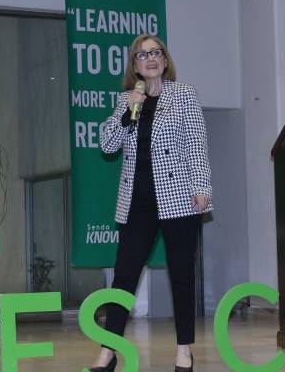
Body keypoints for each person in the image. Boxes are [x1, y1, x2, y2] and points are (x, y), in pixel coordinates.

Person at [90, 34, 213, 372]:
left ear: (164, 58)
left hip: (177, 197)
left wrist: (202, 186)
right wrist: (129, 111)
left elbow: (196, 144)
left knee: (182, 275)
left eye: (156, 52)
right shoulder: (126, 100)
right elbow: (108, 145)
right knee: (125, 276)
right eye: (142, 55)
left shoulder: (183, 94)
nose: (150, 59)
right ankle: (109, 350)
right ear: (134, 65)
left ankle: (184, 350)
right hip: (136, 201)